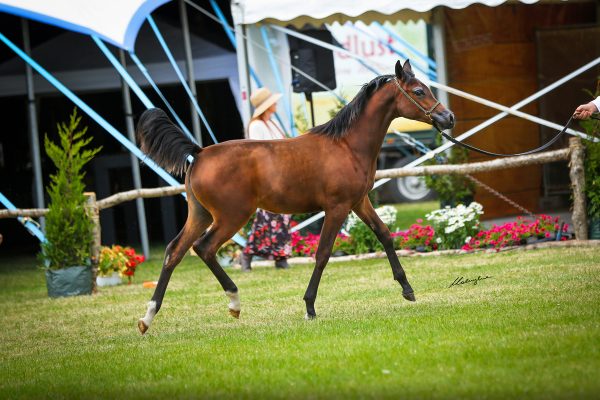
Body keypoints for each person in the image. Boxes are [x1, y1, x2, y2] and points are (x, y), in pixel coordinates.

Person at [240, 87, 292, 271]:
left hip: (281, 175)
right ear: (267, 106)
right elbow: (258, 153)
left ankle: (279, 256)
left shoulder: (271, 123)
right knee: (267, 217)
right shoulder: (257, 125)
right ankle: (248, 254)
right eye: (273, 102)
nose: (275, 104)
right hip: (268, 178)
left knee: (281, 216)